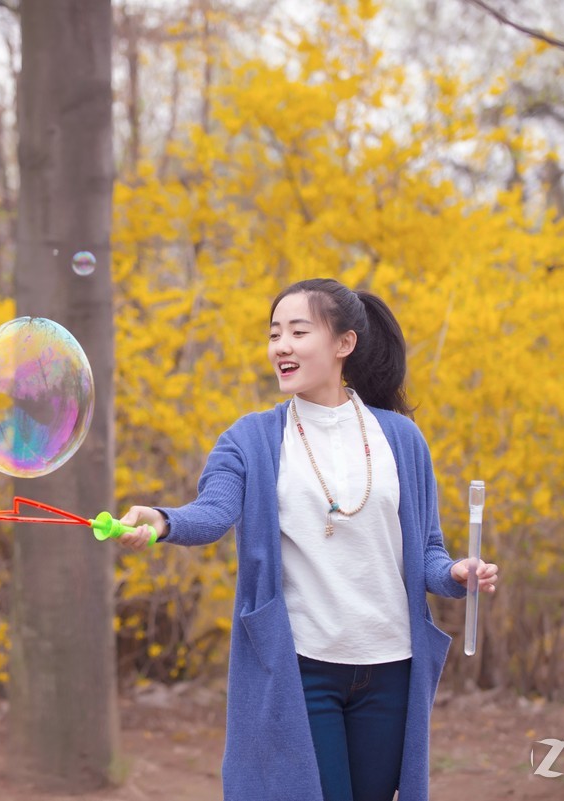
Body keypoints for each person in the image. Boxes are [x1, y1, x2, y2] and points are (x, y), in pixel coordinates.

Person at [117, 278, 500, 801]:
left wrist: (457, 573)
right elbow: (213, 512)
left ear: (344, 344)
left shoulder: (401, 439)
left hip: (391, 666)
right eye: (275, 333)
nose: (282, 346)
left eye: (299, 331)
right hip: (302, 669)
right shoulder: (249, 439)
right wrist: (163, 521)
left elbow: (428, 552)